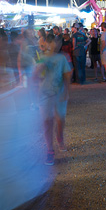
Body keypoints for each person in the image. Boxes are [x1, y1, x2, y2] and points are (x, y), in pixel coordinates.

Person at [33, 34, 72, 165]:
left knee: (60, 119)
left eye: (57, 42)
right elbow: (35, 76)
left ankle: (59, 137)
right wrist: (41, 66)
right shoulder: (41, 57)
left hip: (59, 93)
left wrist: (66, 91)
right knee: (47, 122)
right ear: (47, 44)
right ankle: (50, 150)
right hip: (45, 94)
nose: (56, 45)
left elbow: (67, 76)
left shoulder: (62, 58)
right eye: (53, 42)